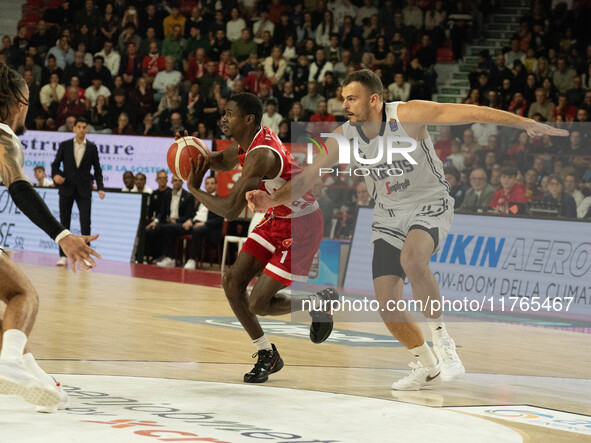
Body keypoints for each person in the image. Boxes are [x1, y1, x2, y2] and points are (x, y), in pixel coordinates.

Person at [246, 69, 568, 390]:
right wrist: (270, 200)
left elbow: (467, 112)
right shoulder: (342, 136)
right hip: (387, 215)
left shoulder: (408, 114)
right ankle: (426, 364)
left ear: (374, 100)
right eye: (343, 98)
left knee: (413, 260)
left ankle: (443, 342)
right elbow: (305, 180)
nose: (345, 104)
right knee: (387, 303)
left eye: (352, 98)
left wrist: (523, 122)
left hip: (430, 203)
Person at [182, 92, 336, 383]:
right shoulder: (246, 143)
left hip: (301, 226)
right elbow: (222, 161)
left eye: (229, 113)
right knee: (231, 281)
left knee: (258, 304)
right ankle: (267, 353)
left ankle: (316, 302)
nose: (223, 118)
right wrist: (190, 151)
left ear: (248, 119)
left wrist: (194, 189)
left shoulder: (261, 155)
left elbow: (230, 210)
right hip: (276, 218)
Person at [0, 62, 100, 411]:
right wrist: (62, 234)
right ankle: (10, 365)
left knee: (5, 324)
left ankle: (33, 375)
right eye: (27, 100)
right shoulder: (3, 136)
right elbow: (19, 186)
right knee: (22, 294)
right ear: (15, 103)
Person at [51, 117, 105, 267]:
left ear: (86, 129)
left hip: (84, 190)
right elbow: (55, 165)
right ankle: (62, 255)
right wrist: (55, 175)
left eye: (84, 127)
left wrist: (100, 187)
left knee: (85, 223)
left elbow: (98, 169)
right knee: (64, 223)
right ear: (74, 128)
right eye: (79, 127)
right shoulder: (65, 145)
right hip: (66, 188)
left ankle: (86, 255)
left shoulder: (92, 147)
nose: (82, 130)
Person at [183, 176, 224, 270]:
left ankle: (192, 260)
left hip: (209, 227)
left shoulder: (220, 200)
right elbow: (193, 213)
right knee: (173, 227)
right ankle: (169, 257)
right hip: (195, 223)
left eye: (212, 183)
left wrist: (204, 223)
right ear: (204, 186)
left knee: (197, 230)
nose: (209, 186)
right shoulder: (201, 198)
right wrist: (189, 220)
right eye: (207, 183)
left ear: (216, 185)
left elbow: (219, 220)